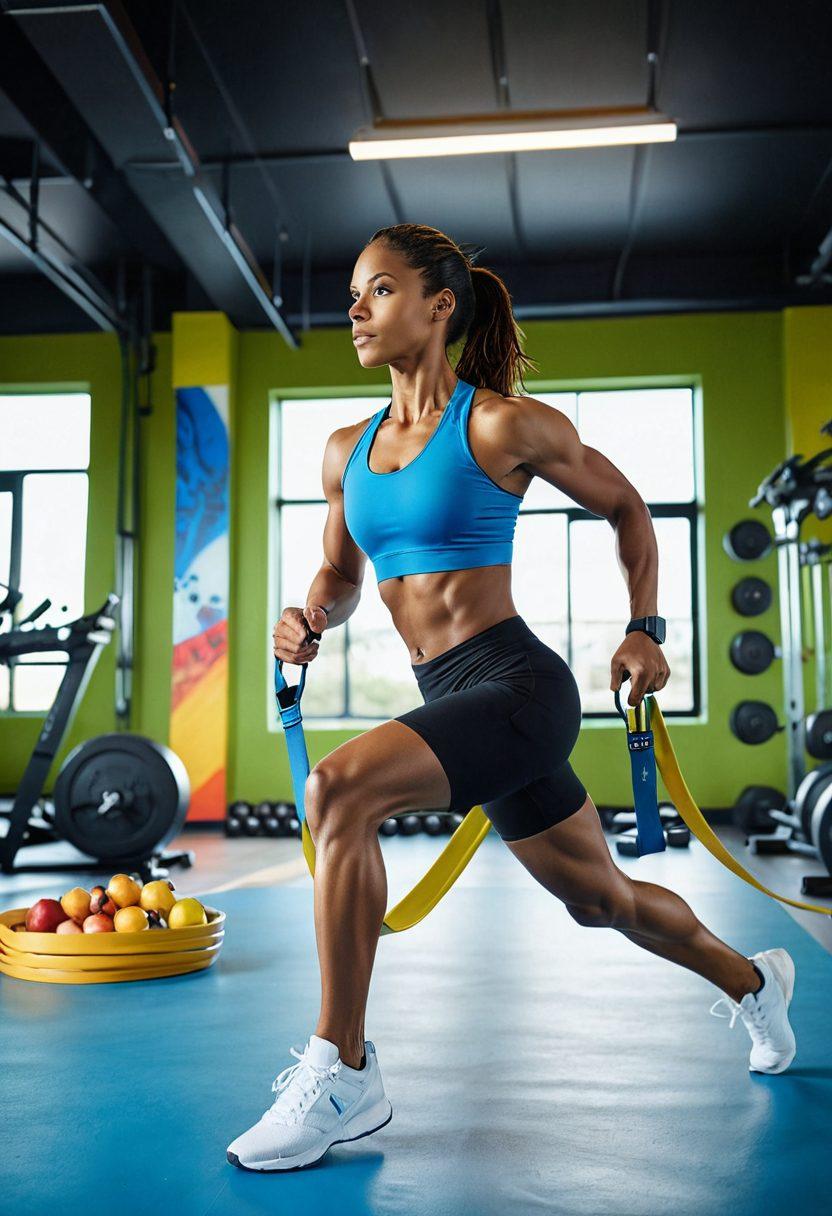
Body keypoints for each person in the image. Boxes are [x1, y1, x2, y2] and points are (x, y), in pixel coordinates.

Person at [227, 223, 796, 1173]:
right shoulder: (346, 450)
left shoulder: (497, 425)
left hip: (518, 686)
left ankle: (345, 1068)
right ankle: (754, 983)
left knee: (337, 791)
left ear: (439, 305)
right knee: (600, 898)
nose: (355, 309)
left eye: (378, 291)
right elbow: (340, 574)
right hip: (449, 695)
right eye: (354, 293)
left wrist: (645, 628)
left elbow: (628, 509)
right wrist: (308, 619)